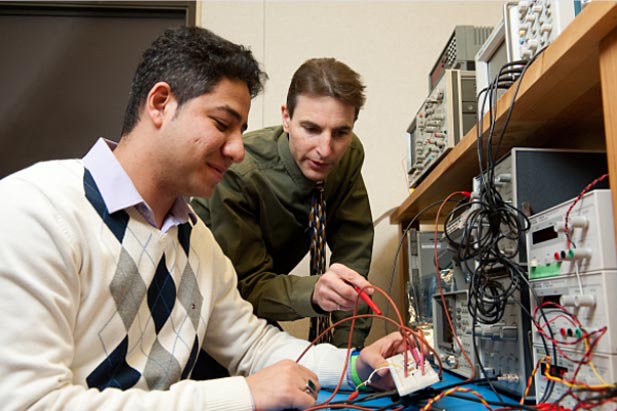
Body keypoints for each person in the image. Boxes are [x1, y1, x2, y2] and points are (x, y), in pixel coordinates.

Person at [0, 26, 415, 411]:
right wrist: (244, 393)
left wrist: (358, 366)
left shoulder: (196, 243)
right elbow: (31, 403)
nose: (237, 150)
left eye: (242, 130)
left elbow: (253, 346)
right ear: (160, 104)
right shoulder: (34, 210)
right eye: (222, 124)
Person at [190, 57, 375, 351]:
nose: (326, 150)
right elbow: (246, 286)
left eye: (341, 132)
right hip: (205, 312)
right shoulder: (237, 174)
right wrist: (314, 292)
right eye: (311, 129)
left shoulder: (349, 155)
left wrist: (347, 354)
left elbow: (353, 252)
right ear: (286, 118)